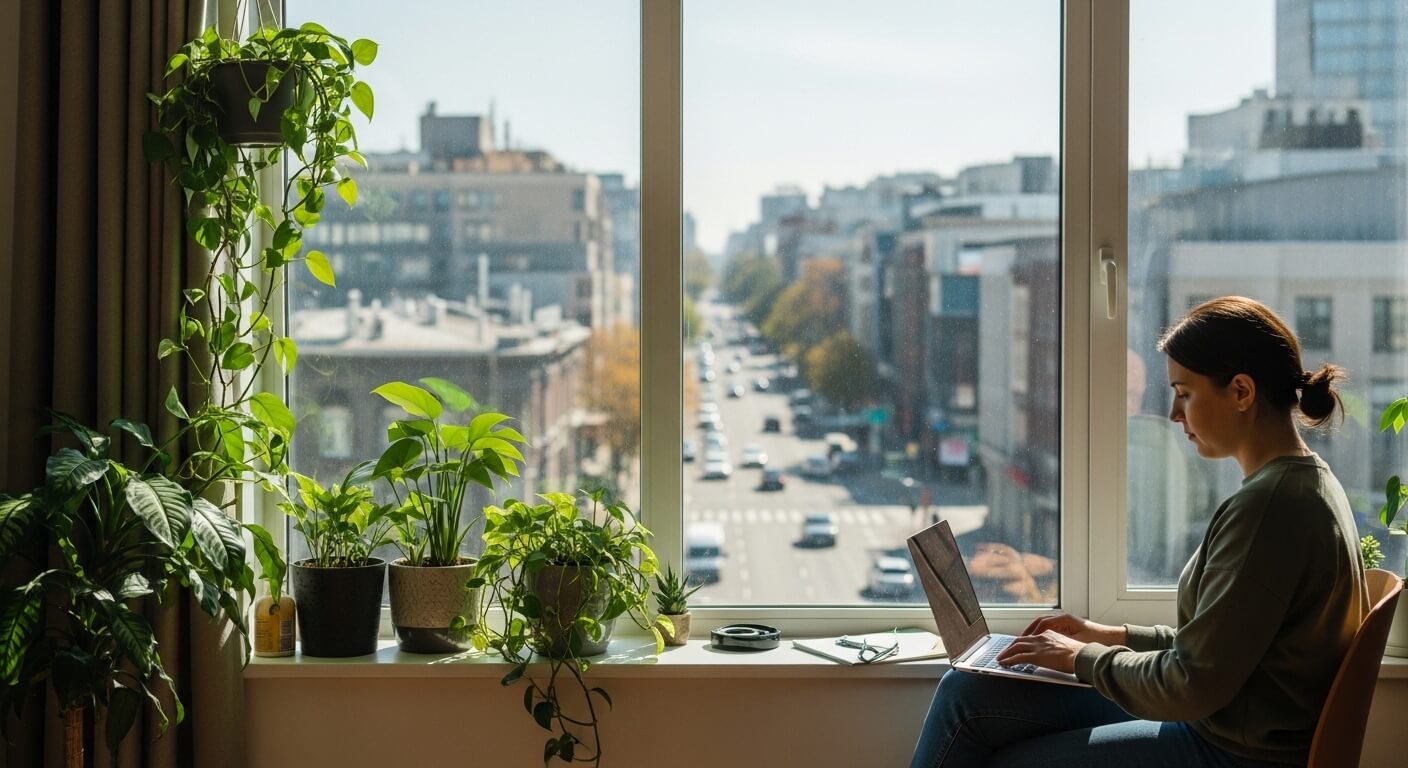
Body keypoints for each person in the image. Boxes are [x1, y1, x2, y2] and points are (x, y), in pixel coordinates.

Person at [909, 296, 1370, 768]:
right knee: (969, 691)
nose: (1173, 413)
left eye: (1184, 393)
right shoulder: (1299, 485)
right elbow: (1217, 647)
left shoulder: (1271, 509)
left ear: (1241, 392)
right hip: (1218, 720)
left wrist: (1079, 657)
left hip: (1229, 749)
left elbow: (1192, 683)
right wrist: (1108, 635)